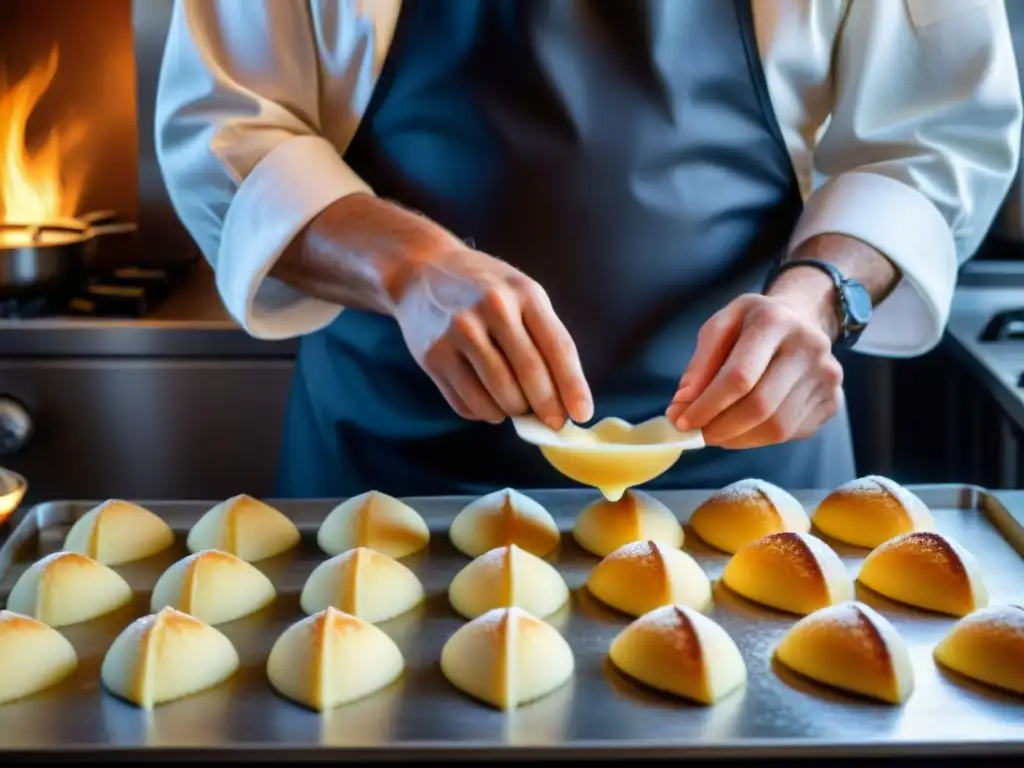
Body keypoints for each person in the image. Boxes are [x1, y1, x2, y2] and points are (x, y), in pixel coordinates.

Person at [154, 0, 1022, 498]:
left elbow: (930, 134)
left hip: (749, 481)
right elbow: (223, 133)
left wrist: (821, 293)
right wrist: (409, 265)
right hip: (387, 480)